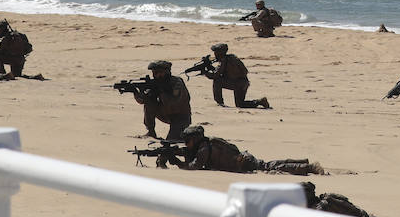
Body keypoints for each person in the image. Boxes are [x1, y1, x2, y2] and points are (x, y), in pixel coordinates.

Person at [158, 125, 323, 175]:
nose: (186, 144)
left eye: (188, 141)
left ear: (195, 140)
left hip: (243, 163)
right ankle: (303, 163)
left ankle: (308, 168)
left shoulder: (203, 150)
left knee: (270, 167)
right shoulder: (205, 144)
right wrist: (172, 153)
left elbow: (195, 166)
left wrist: (177, 163)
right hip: (243, 159)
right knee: (269, 164)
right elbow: (186, 152)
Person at [135, 60, 192, 140]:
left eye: (160, 72)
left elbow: (174, 103)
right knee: (149, 102)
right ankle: (151, 131)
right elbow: (143, 101)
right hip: (166, 114)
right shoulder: (156, 84)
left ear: (167, 72)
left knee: (172, 140)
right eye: (154, 73)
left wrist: (161, 91)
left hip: (180, 117)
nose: (157, 75)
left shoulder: (176, 83)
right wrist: (136, 92)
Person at [203, 43, 270, 109]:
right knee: (240, 104)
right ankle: (260, 102)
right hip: (243, 83)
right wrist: (210, 67)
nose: (215, 54)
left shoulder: (224, 60)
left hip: (238, 83)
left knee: (217, 81)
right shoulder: (231, 58)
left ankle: (220, 103)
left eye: (216, 52)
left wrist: (205, 72)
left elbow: (215, 75)